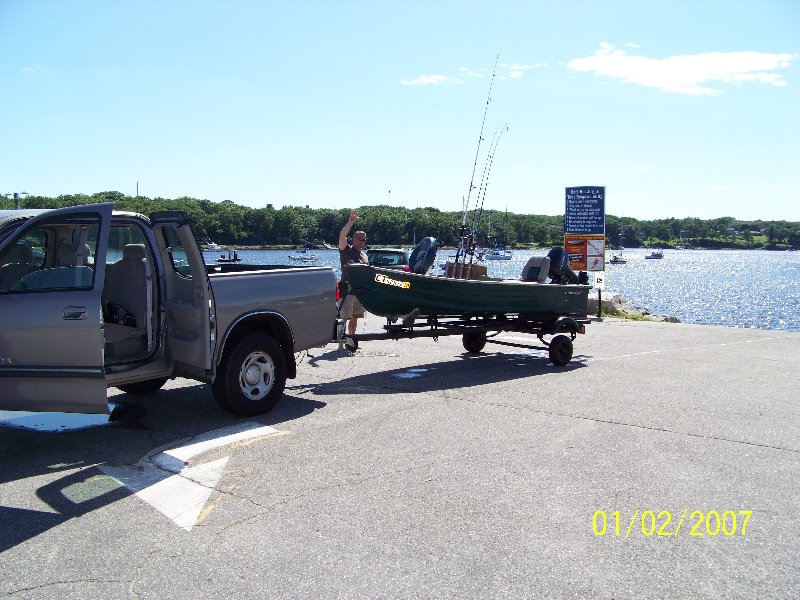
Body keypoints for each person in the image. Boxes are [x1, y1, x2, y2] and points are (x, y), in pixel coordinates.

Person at [338, 210, 368, 341]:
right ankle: (340, 343)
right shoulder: (346, 251)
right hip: (347, 290)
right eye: (359, 239)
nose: (362, 241)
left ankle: (352, 340)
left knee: (355, 318)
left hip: (359, 291)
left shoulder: (365, 256)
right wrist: (350, 223)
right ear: (354, 239)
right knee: (344, 317)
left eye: (364, 240)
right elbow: (341, 237)